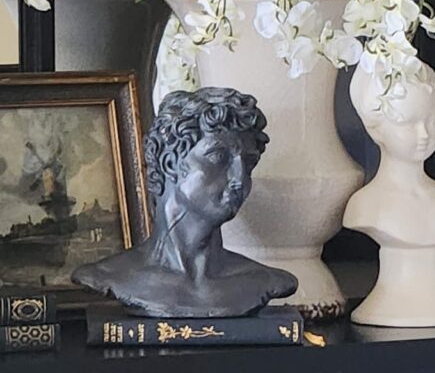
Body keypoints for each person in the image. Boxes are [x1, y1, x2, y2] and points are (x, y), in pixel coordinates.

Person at [73, 87, 298, 316]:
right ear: (170, 163)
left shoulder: (264, 281)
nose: (239, 179)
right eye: (218, 157)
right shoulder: (108, 276)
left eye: (249, 163)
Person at [344, 63, 435, 327]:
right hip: (386, 308)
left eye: (431, 120)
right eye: (407, 123)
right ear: (375, 128)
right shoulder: (366, 206)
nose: (424, 134)